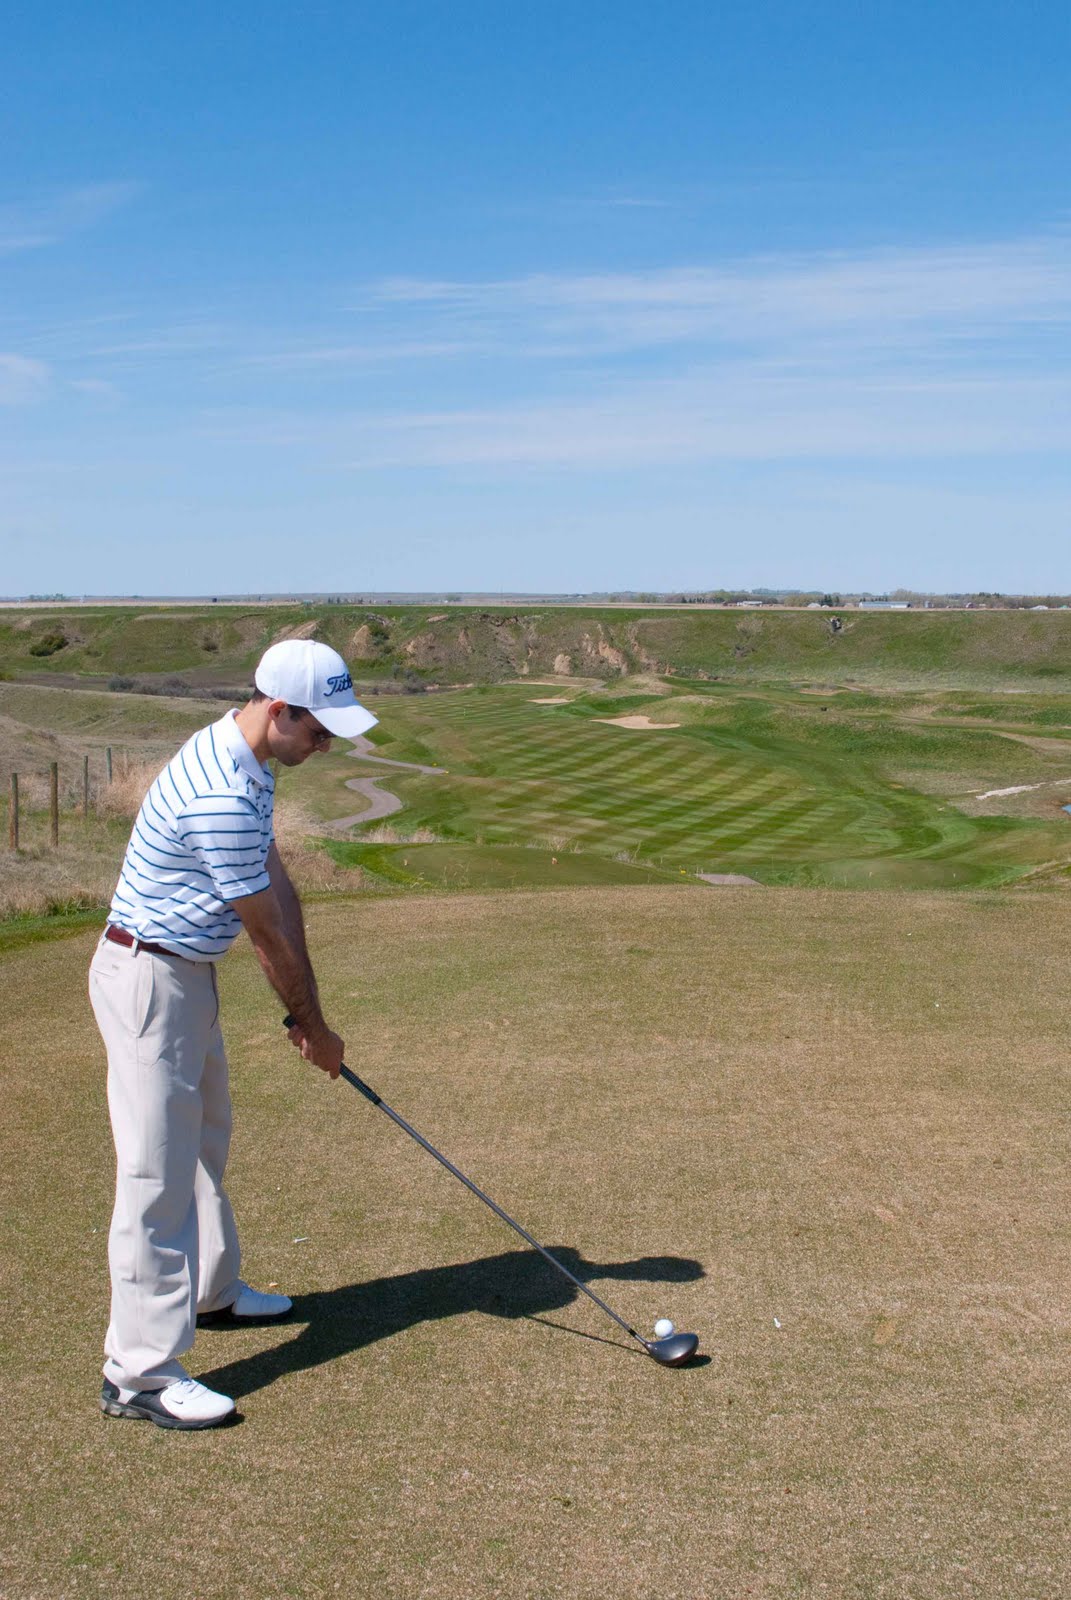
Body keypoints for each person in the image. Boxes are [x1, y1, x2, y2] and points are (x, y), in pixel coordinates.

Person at [89, 638, 376, 1430]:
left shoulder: (245, 755)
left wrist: (308, 1013)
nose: (323, 747)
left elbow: (277, 884)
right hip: (151, 978)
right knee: (155, 1175)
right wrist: (310, 1025)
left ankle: (211, 1290)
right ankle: (139, 1373)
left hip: (184, 973)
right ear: (278, 710)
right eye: (318, 732)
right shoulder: (220, 787)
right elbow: (263, 931)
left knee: (205, 1137)